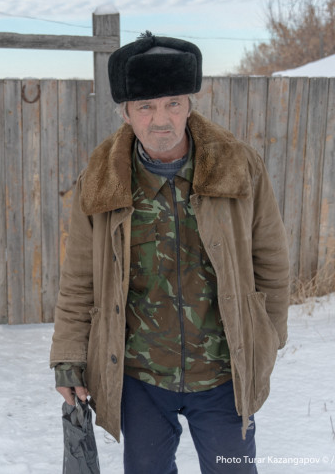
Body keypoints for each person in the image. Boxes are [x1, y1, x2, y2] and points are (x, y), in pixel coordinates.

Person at [50, 32, 290, 473]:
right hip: (140, 379)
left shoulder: (240, 168)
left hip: (223, 375)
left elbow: (271, 262)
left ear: (189, 105)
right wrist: (68, 359)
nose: (161, 120)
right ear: (126, 113)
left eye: (173, 104)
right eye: (145, 106)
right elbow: (80, 280)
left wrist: (267, 337)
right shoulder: (101, 182)